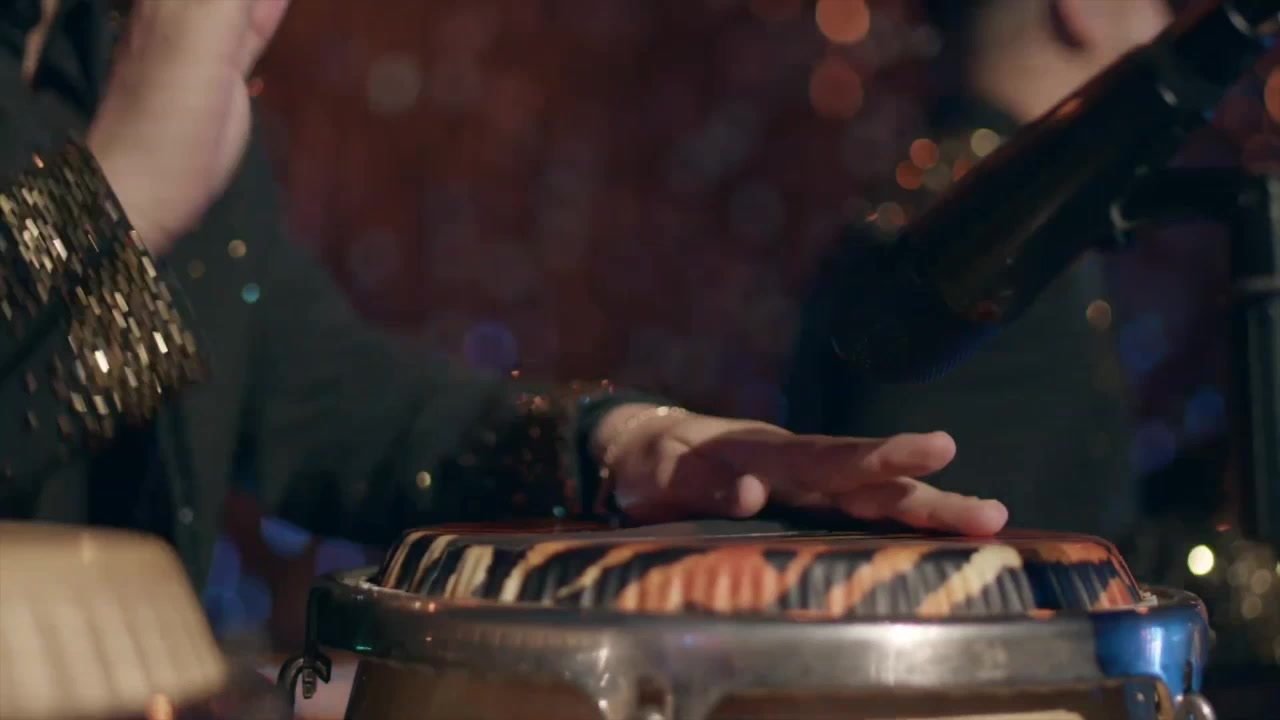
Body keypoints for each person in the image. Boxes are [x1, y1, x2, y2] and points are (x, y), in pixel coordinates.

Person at [0, 0, 1008, 589]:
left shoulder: (107, 40)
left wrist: (619, 449)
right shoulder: (156, 70)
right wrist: (122, 190)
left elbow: (311, 392)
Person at [786, 0, 1173, 539]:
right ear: (1080, 9)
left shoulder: (942, 201)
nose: (1165, 23)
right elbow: (937, 548)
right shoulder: (999, 240)